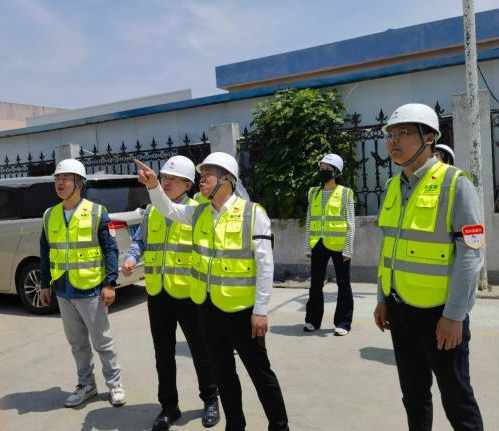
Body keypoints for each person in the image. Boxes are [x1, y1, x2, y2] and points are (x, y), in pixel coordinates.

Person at [134, 152, 289, 431]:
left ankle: (279, 427)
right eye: (201, 174)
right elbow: (168, 210)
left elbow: (265, 266)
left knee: (260, 375)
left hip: (243, 312)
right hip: (208, 310)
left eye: (207, 174)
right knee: (224, 376)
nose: (201, 179)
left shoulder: (252, 214)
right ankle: (235, 426)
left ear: (227, 179)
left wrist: (261, 310)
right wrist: (154, 186)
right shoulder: (199, 213)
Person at [374, 103, 484, 430]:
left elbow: (471, 254)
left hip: (439, 314)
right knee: (413, 395)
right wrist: (382, 298)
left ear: (429, 138)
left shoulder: (455, 183)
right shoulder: (393, 186)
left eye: (404, 132)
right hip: (399, 307)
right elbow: (389, 247)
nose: (394, 141)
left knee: (457, 400)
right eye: (390, 134)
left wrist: (455, 315)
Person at [122, 156, 219, 430]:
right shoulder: (153, 211)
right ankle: (168, 406)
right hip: (158, 293)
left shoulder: (199, 212)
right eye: (164, 177)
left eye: (173, 179)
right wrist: (131, 258)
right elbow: (139, 241)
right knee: (163, 354)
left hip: (189, 295)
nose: (166, 183)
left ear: (188, 184)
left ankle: (210, 399)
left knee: (201, 351)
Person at [40, 159, 126, 407]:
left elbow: (110, 250)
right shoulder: (50, 215)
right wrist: (45, 284)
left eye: (66, 179)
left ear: (80, 184)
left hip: (91, 289)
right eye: (57, 179)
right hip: (63, 289)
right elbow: (45, 250)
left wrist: (110, 284)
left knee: (102, 342)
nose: (60, 183)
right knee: (77, 344)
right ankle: (86, 385)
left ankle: (115, 384)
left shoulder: (97, 212)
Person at [304, 153, 355, 335]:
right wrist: (308, 246)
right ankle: (312, 320)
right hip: (318, 244)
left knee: (344, 285)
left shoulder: (345, 193)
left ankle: (343, 323)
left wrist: (348, 249)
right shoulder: (313, 192)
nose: (323, 171)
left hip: (339, 245)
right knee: (315, 284)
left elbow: (350, 223)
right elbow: (309, 219)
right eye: (322, 168)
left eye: (328, 169)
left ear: (336, 172)